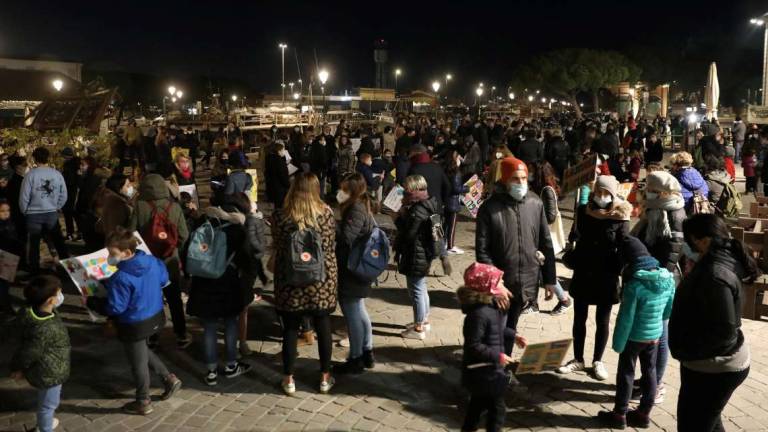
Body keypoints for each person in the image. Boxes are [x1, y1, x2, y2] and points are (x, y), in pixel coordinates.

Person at [670, 214, 756, 431]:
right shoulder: (721, 258)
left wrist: (688, 351)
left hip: (714, 365)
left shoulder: (714, 274)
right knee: (708, 420)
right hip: (709, 361)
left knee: (694, 425)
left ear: (704, 240)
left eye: (690, 240)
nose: (687, 246)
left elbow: (724, 332)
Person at [85, 228, 182, 415]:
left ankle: (143, 400)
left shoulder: (120, 277)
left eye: (112, 254)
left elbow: (116, 308)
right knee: (142, 351)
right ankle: (169, 378)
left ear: (127, 253)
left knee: (137, 362)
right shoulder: (153, 261)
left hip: (134, 323)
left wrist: (94, 302)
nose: (109, 258)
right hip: (155, 315)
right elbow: (163, 279)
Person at [475, 157, 557, 362]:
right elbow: (482, 251)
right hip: (500, 284)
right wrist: (495, 283)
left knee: (511, 326)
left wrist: (549, 279)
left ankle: (505, 366)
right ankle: (489, 367)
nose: (521, 183)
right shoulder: (489, 208)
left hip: (526, 281)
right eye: (515, 178)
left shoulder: (535, 202)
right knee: (495, 328)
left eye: (524, 178)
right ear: (504, 180)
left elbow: (545, 242)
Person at [597, 237, 675, 429]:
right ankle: (643, 414)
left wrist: (618, 343)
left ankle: (619, 414)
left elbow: (626, 319)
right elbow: (667, 311)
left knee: (626, 373)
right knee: (650, 372)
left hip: (633, 337)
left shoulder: (635, 285)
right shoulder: (668, 280)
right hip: (654, 336)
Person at [558, 175, 631, 381]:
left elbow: (624, 245)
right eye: (598, 192)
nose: (601, 196)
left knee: (603, 320)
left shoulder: (620, 214)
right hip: (584, 270)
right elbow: (575, 235)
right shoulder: (583, 211)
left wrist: (620, 268)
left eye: (606, 193)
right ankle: (577, 359)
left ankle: (597, 360)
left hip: (606, 274)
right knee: (579, 317)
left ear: (613, 194)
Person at [271, 173, 338, 395]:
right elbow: (329, 246)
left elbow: (278, 247)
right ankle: (324, 378)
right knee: (323, 327)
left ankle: (289, 379)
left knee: (290, 330)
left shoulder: (280, 216)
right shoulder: (326, 216)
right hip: (321, 281)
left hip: (290, 281)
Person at [186, 196, 255, 385]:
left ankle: (211, 372)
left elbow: (189, 252)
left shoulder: (203, 226)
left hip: (203, 283)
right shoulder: (237, 231)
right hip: (227, 283)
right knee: (231, 324)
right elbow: (247, 260)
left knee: (208, 327)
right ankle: (231, 365)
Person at [459, 263, 526, 432]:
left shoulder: (490, 308)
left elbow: (497, 329)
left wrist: (513, 335)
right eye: (500, 282)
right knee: (497, 411)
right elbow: (473, 345)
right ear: (487, 287)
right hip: (482, 372)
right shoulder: (478, 314)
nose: (503, 285)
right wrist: (499, 357)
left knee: (476, 409)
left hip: (488, 373)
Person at [128, 174, 191, 349]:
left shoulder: (139, 207)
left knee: (152, 298)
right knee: (174, 298)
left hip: (148, 261)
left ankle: (154, 336)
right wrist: (173, 248)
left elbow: (131, 234)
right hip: (170, 260)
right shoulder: (175, 207)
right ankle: (181, 334)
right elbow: (184, 235)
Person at [10, 275, 70, 432]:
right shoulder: (45, 328)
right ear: (50, 300)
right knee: (48, 405)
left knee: (46, 402)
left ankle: (46, 423)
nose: (60, 296)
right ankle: (45, 427)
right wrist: (18, 368)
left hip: (42, 368)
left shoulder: (30, 312)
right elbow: (29, 352)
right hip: (50, 372)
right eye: (59, 293)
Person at [334, 173, 376, 373]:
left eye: (344, 189)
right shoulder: (360, 206)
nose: (340, 192)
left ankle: (356, 358)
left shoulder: (356, 208)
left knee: (352, 313)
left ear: (352, 191)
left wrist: (330, 222)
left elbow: (346, 238)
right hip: (357, 267)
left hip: (353, 268)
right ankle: (367, 352)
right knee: (359, 310)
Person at [394, 175, 442, 340]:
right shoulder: (427, 203)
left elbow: (409, 235)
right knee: (421, 288)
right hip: (423, 253)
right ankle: (424, 320)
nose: (404, 194)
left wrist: (399, 218)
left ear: (414, 190)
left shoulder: (417, 210)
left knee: (416, 290)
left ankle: (419, 327)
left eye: (406, 190)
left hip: (416, 254)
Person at [530, 162, 572, 314]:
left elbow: (550, 216)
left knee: (546, 271)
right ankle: (532, 303)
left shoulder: (547, 191)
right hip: (543, 237)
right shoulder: (544, 189)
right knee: (540, 270)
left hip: (547, 238)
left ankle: (564, 301)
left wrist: (533, 219)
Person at [19, 147, 69, 271]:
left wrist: (25, 211)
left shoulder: (30, 175)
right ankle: (66, 269)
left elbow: (24, 197)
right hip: (51, 213)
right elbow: (64, 195)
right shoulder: (56, 174)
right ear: (48, 158)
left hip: (33, 214)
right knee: (58, 242)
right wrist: (57, 207)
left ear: (35, 159)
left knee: (34, 245)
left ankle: (35, 272)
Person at [407, 144, 453, 275]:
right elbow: (447, 186)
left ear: (416, 153)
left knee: (422, 237)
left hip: (420, 208)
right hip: (436, 207)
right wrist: (441, 201)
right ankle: (443, 256)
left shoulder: (414, 168)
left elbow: (409, 188)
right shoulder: (436, 167)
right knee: (437, 233)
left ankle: (426, 263)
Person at [75, 156, 108, 252]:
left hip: (90, 212)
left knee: (92, 240)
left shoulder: (92, 178)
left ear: (90, 166)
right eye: (80, 165)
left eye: (83, 165)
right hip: (87, 211)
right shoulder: (88, 176)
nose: (81, 167)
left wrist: (79, 178)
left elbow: (86, 194)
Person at [443, 150, 469, 254]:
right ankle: (450, 246)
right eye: (459, 158)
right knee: (452, 225)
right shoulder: (456, 172)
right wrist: (466, 188)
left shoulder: (445, 170)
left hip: (446, 201)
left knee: (446, 224)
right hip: (453, 202)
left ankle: (445, 243)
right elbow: (456, 188)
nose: (460, 160)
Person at [96, 174, 135, 238]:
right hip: (115, 242)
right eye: (127, 185)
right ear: (119, 187)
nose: (131, 187)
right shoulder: (117, 204)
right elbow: (115, 228)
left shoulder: (106, 197)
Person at [0, 199, 21, 317]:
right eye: (2, 211)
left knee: (6, 284)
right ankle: (6, 306)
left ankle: (5, 305)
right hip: (2, 256)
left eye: (8, 210)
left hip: (10, 256)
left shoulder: (10, 223)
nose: (6, 213)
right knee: (2, 284)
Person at [60, 147, 80, 240]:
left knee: (68, 212)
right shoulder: (76, 164)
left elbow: (69, 180)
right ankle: (77, 232)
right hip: (73, 191)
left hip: (69, 191)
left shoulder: (69, 165)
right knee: (72, 213)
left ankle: (70, 233)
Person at [265, 142, 291, 210]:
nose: (284, 152)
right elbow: (282, 175)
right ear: (278, 151)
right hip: (280, 188)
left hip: (273, 186)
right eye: (283, 150)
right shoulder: (279, 161)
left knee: (277, 207)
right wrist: (288, 185)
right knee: (281, 206)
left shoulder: (270, 159)